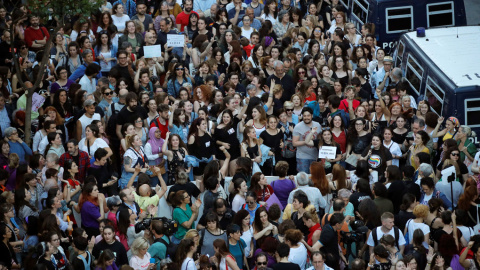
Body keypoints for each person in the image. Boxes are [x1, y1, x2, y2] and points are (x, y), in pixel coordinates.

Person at [292, 108, 321, 173]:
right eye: (304, 116)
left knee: (314, 179)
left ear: (312, 116)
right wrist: (307, 141)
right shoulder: (298, 126)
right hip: (302, 156)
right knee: (303, 179)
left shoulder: (317, 125)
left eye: (308, 115)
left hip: (315, 156)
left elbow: (320, 139)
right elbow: (294, 143)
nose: (306, 117)